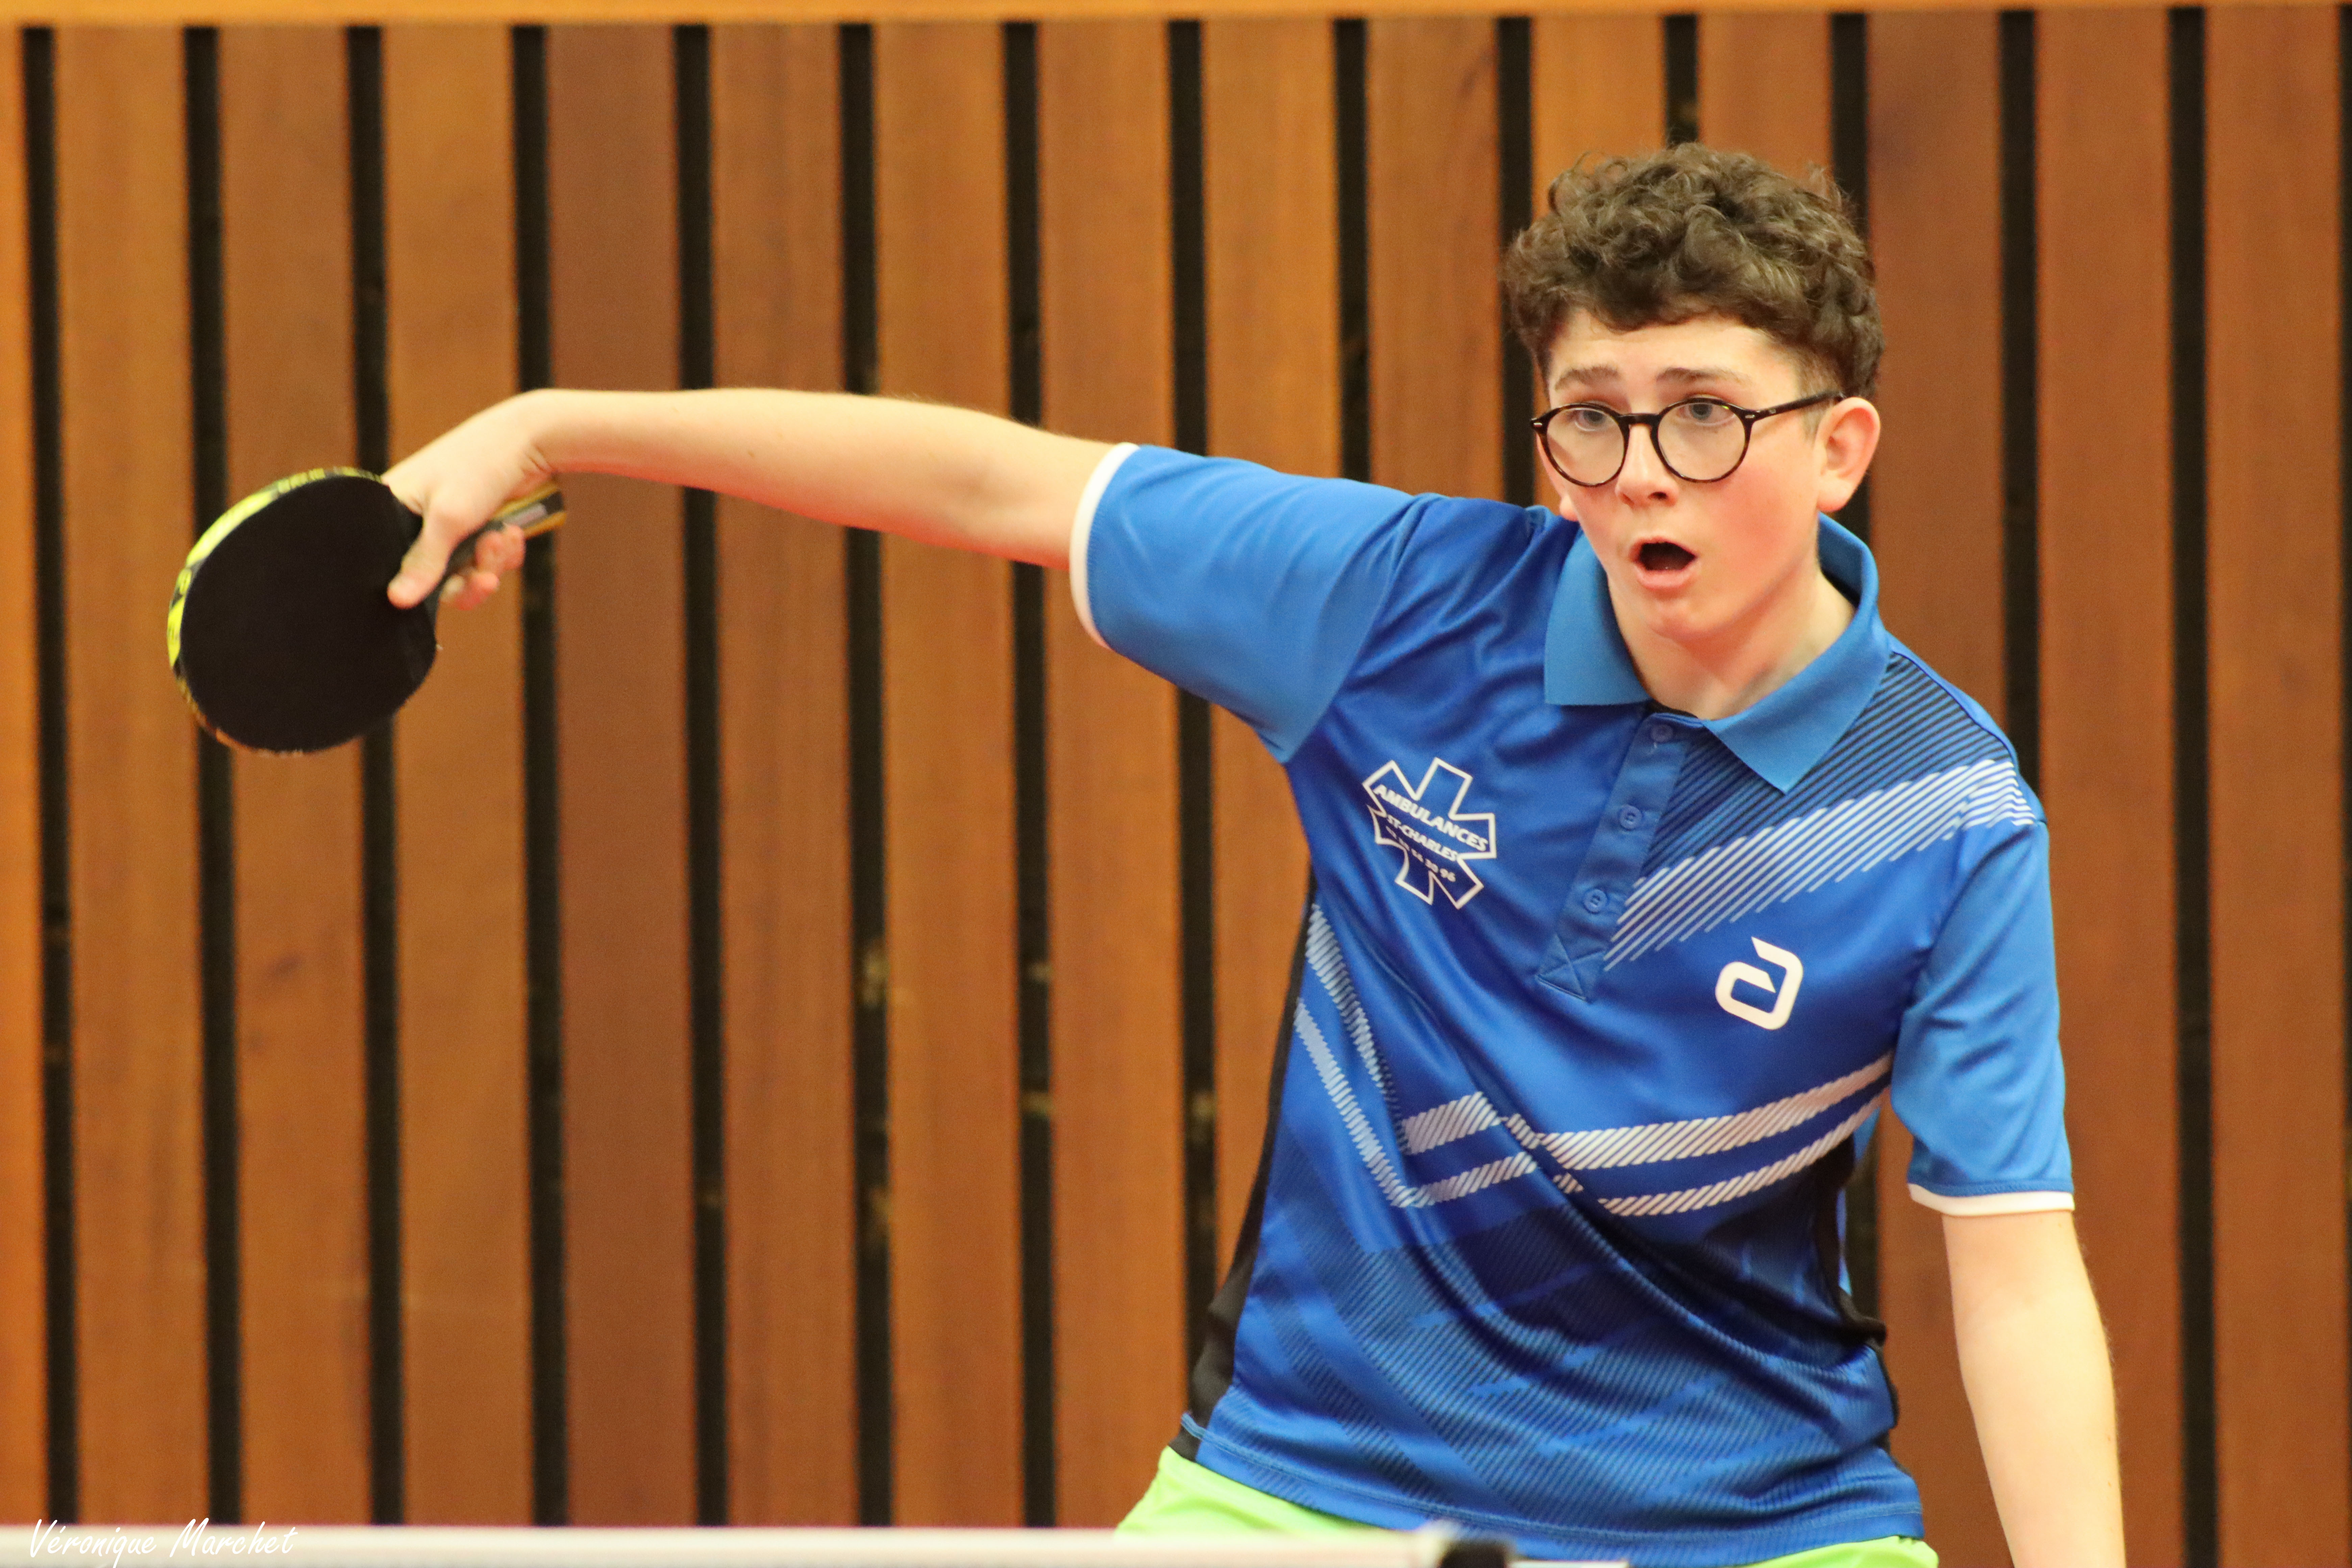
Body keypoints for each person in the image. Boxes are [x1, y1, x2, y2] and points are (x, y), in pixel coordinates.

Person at [386, 144, 2123, 1568]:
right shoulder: (1402, 608)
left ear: (1837, 448)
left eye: (1703, 413)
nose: (1639, 471)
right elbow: (995, 485)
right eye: (1590, 413)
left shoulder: (1943, 812)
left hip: (1754, 1523)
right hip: (1307, 1486)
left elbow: (2015, 1265)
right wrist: (547, 425)